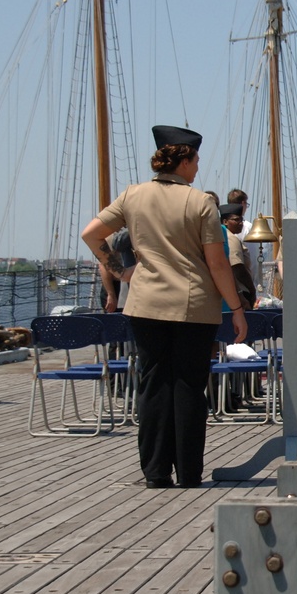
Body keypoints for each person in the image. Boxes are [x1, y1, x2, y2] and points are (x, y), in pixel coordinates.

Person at [81, 125, 246, 488]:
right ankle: (188, 471)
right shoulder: (200, 202)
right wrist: (235, 307)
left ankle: (155, 471)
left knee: (153, 384)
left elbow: (91, 234)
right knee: (188, 385)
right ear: (184, 160)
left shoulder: (132, 195)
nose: (198, 167)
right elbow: (217, 263)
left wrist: (121, 272)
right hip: (193, 305)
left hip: (145, 303)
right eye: (196, 160)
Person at [220, 204, 257, 311]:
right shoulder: (231, 238)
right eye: (236, 220)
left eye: (241, 220)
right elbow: (237, 268)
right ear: (225, 221)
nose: (240, 223)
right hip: (241, 291)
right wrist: (252, 289)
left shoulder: (225, 236)